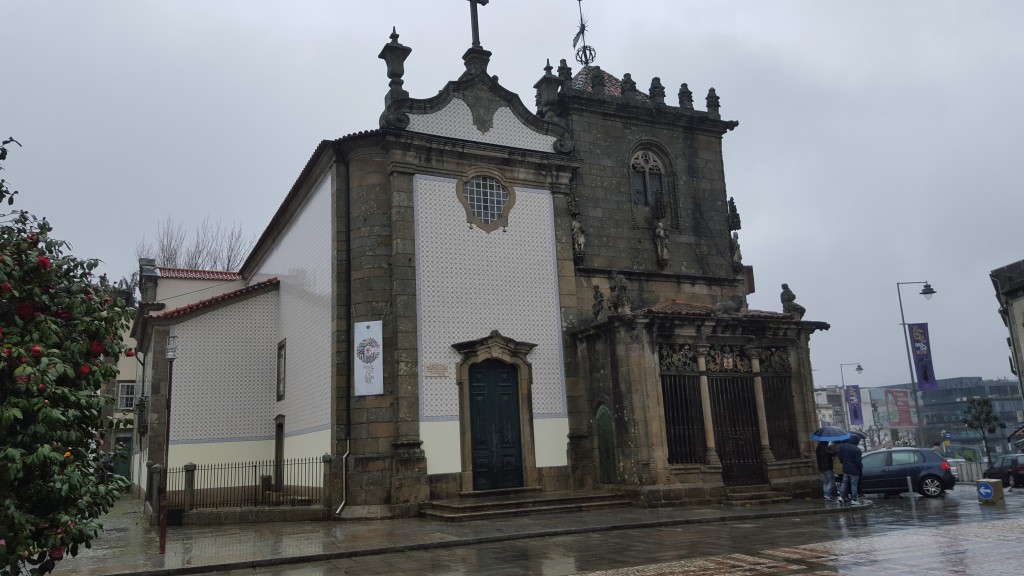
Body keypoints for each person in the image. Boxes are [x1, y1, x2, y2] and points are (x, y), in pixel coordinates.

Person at [837, 435, 864, 505]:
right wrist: (859, 468)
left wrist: (844, 463)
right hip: (854, 470)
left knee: (844, 482)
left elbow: (840, 457)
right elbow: (858, 461)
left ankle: (841, 496)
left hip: (845, 468)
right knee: (854, 484)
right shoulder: (857, 449)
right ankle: (854, 499)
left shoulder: (843, 446)